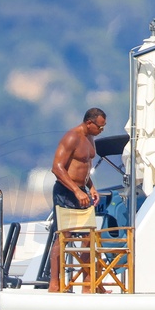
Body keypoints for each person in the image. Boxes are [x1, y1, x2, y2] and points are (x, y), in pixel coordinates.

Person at [48, 108, 106, 293]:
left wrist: (91, 187)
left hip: (82, 191)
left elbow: (83, 167)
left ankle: (87, 284)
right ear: (89, 123)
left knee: (89, 236)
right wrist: (75, 190)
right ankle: (54, 283)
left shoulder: (90, 138)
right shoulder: (72, 137)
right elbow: (57, 168)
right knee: (63, 236)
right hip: (66, 191)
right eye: (100, 127)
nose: (101, 130)